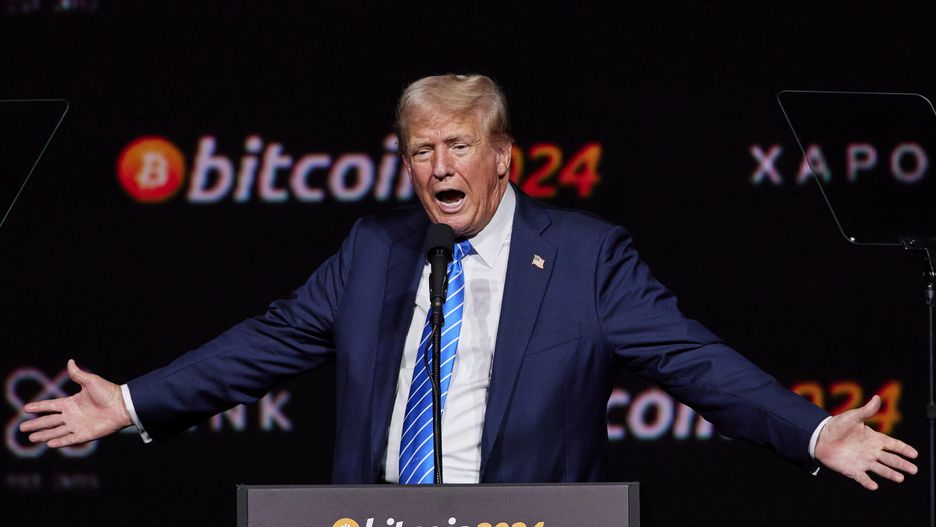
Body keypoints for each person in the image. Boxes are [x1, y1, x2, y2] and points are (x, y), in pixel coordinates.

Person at [20, 74, 917, 489]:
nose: (437, 165)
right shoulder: (374, 250)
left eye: (457, 146)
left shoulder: (585, 255)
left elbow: (696, 364)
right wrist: (133, 402)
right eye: (421, 150)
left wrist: (811, 431)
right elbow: (264, 343)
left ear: (502, 158)